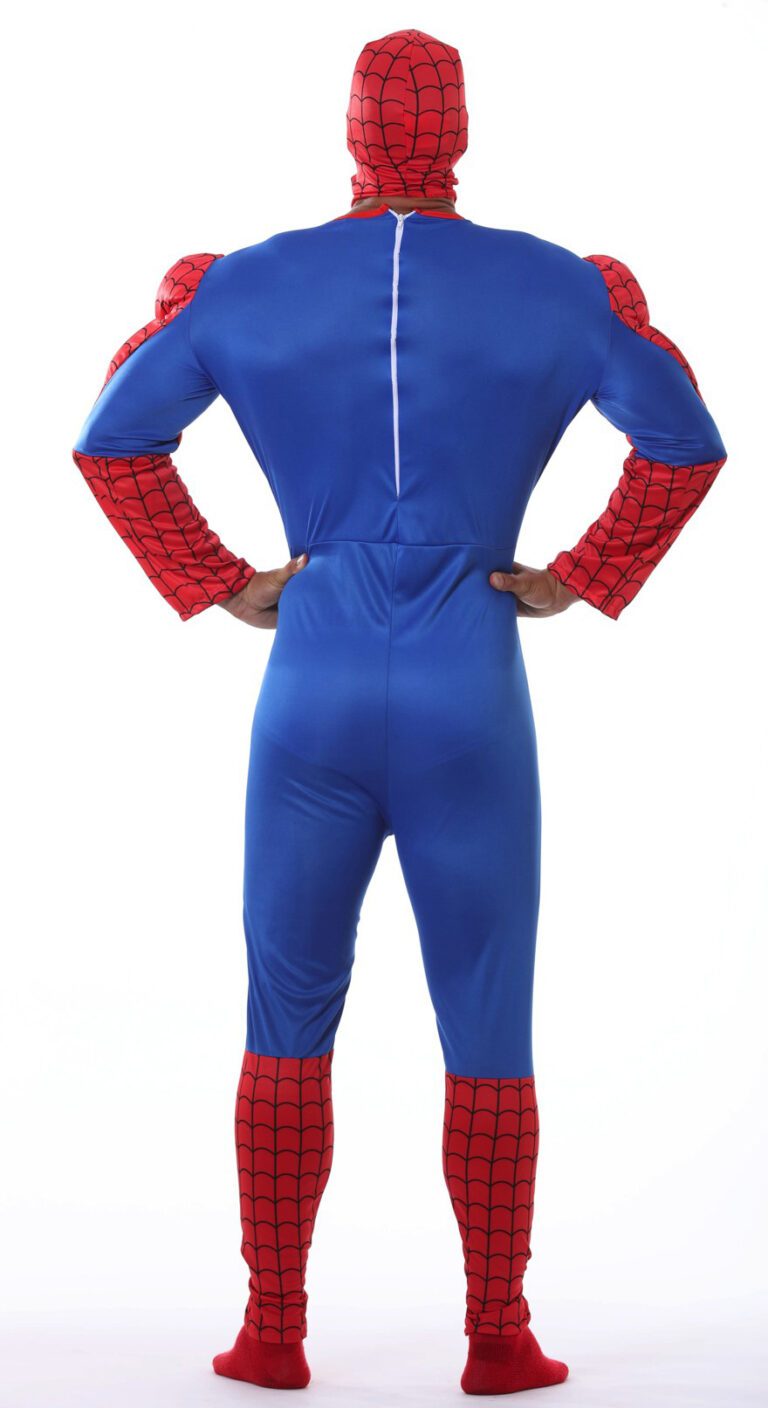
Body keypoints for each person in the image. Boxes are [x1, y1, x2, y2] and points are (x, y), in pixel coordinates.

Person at [71, 27, 727, 1397]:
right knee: (487, 1020)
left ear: (352, 130)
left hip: (309, 682)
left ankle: (272, 1332)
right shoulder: (558, 289)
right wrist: (582, 573)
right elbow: (683, 442)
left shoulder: (246, 286)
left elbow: (114, 438)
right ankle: (499, 1338)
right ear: (458, 131)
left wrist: (220, 581)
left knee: (284, 1013)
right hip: (467, 688)